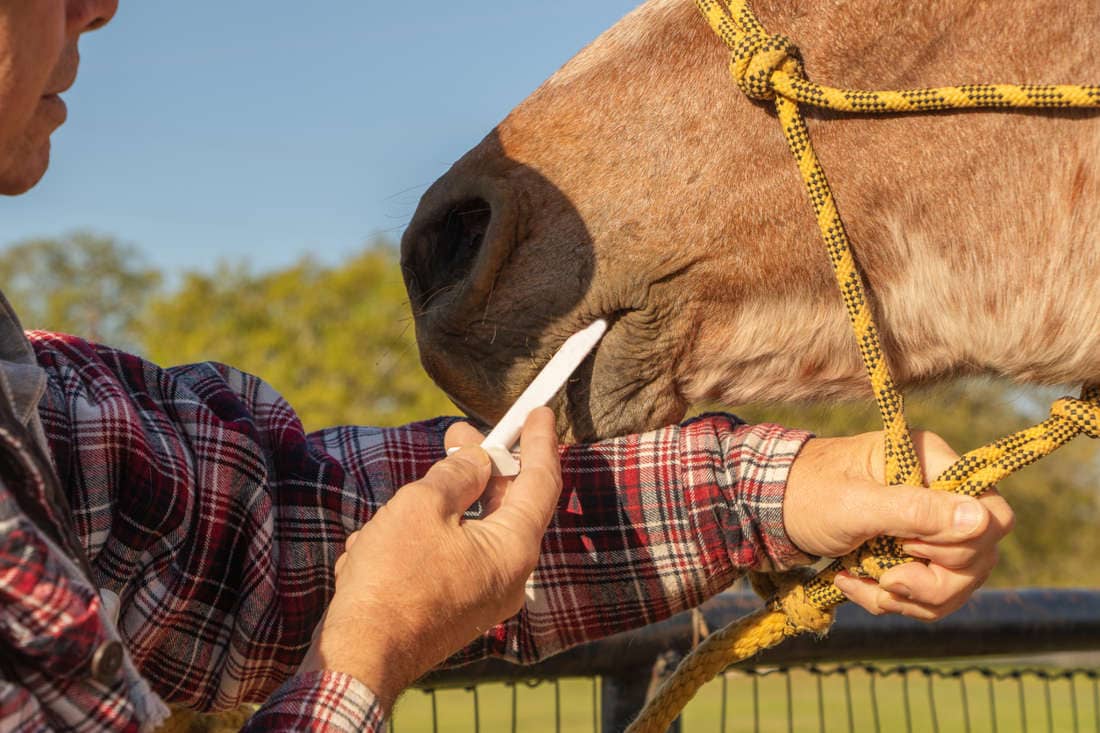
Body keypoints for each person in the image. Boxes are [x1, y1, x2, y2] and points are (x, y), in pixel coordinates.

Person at [0, 2, 1014, 731]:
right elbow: (344, 581)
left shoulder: (36, 413)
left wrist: (782, 487)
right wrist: (366, 655)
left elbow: (272, 534)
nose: (98, 6)